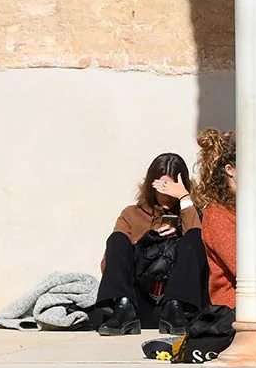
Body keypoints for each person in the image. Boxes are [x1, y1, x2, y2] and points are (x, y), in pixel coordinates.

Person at [96, 152, 209, 337]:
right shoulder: (131, 214)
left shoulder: (192, 214)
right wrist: (145, 243)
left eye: (171, 188)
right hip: (140, 301)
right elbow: (107, 265)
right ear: (151, 185)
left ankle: (174, 306)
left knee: (195, 237)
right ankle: (124, 310)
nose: (165, 194)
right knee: (117, 239)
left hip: (179, 310)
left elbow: (202, 256)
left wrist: (184, 201)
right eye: (161, 186)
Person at [194, 128, 237, 309]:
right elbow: (241, 267)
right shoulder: (217, 214)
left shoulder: (249, 210)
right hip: (233, 310)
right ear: (230, 169)